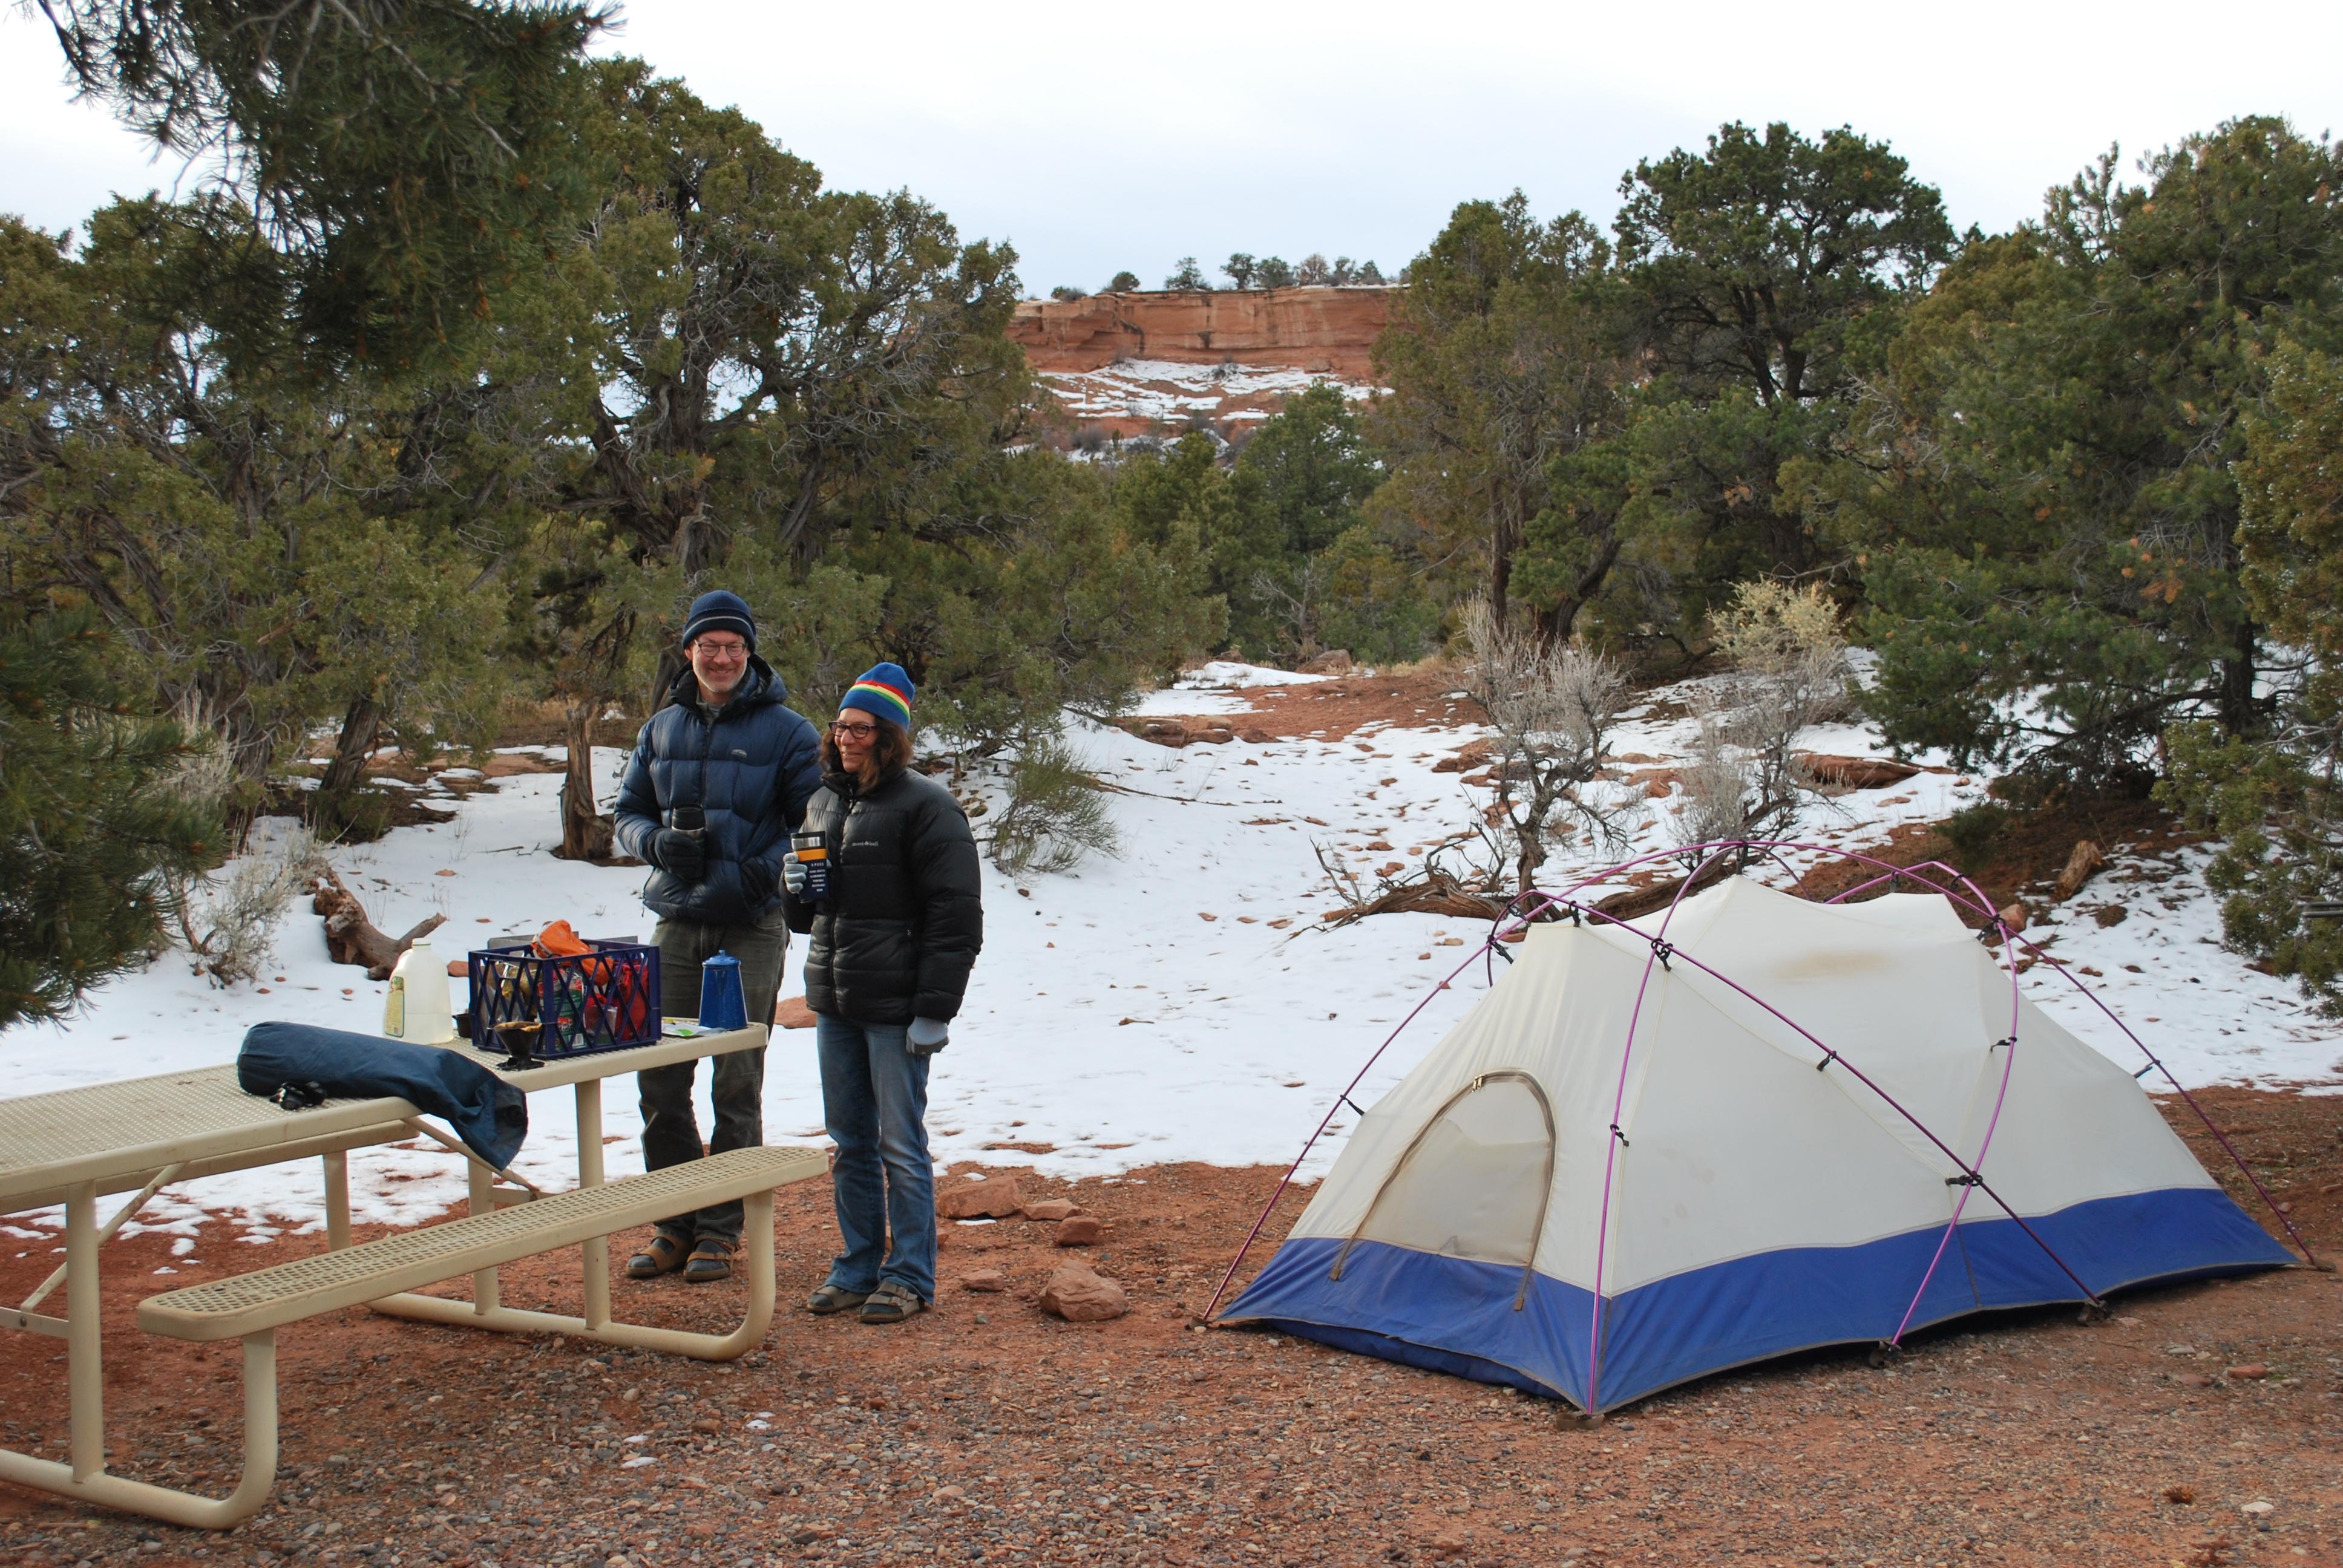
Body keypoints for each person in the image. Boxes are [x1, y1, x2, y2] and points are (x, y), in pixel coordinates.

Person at [612, 589, 822, 1284]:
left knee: (736, 1083)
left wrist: (759, 875)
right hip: (676, 921)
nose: (722, 657)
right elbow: (628, 814)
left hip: (751, 928)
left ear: (749, 652)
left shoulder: (789, 732)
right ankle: (675, 1224)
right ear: (689, 653)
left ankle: (721, 1232)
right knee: (661, 1082)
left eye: (734, 646)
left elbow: (813, 827)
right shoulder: (661, 728)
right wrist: (657, 843)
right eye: (710, 646)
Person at [784, 663, 982, 1325]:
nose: (846, 738)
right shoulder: (824, 800)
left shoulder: (927, 806)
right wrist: (794, 886)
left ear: (890, 736)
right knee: (849, 1143)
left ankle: (909, 1276)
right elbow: (805, 918)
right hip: (835, 1000)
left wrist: (934, 1011)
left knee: (900, 1142)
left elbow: (955, 918)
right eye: (840, 726)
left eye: (862, 729)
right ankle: (857, 1265)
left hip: (896, 1006)